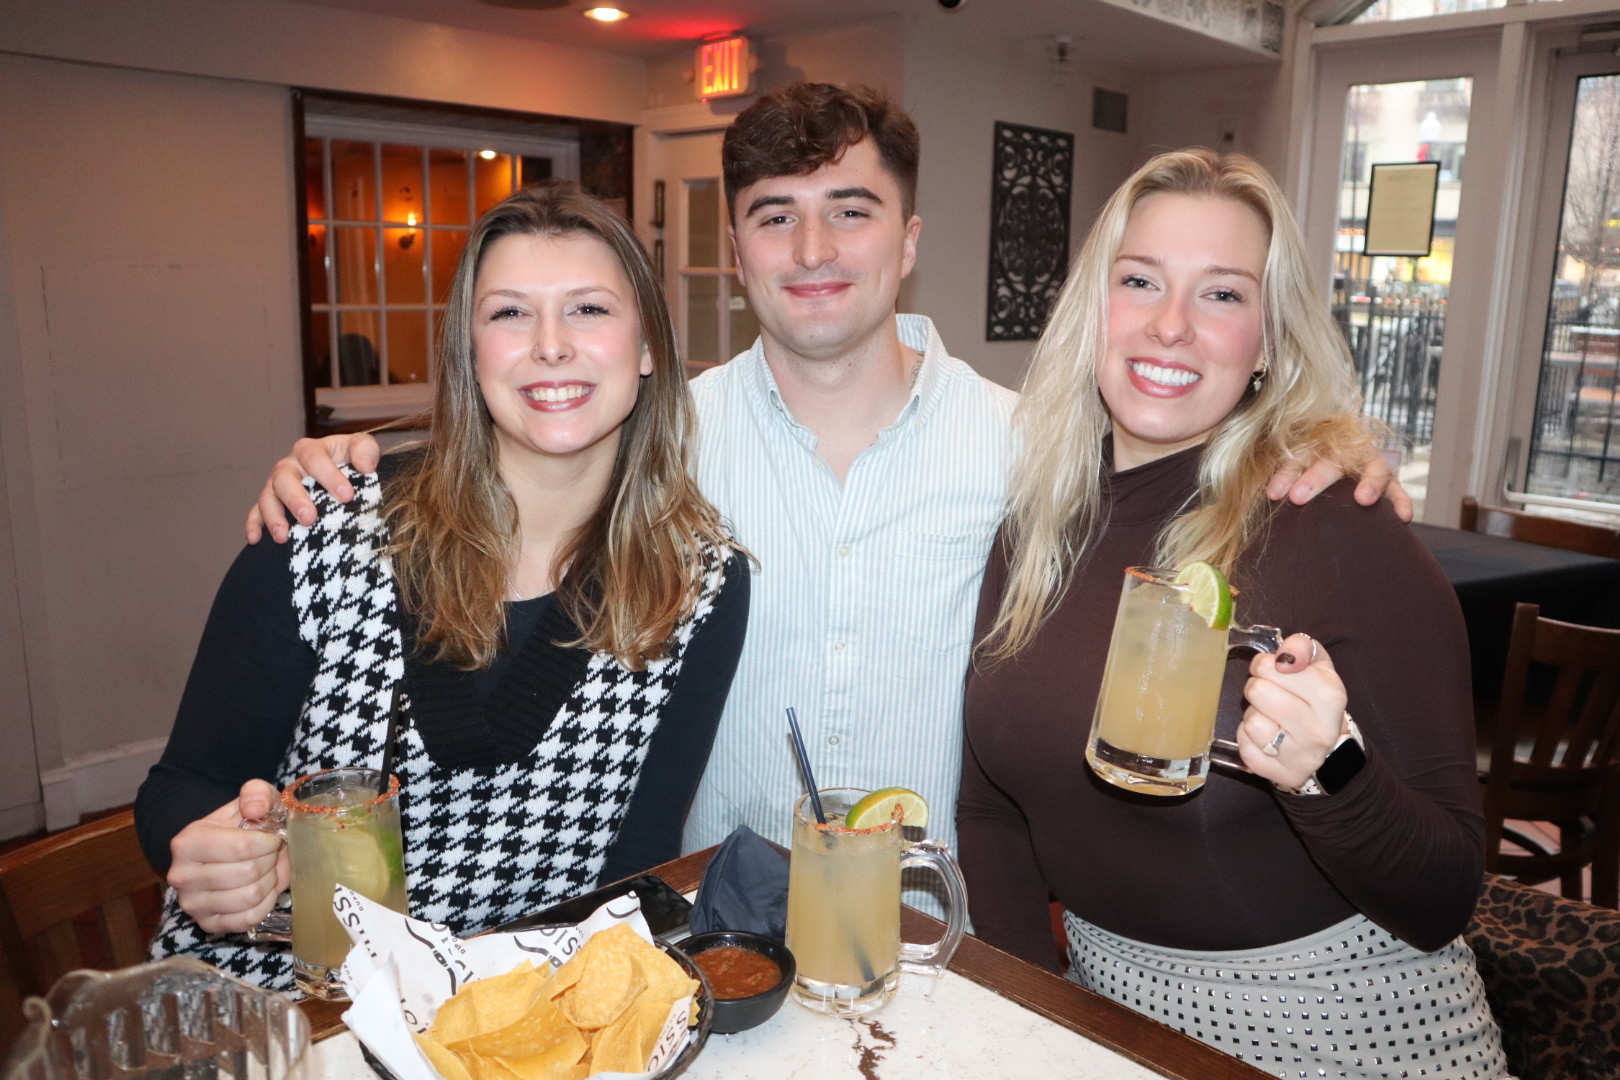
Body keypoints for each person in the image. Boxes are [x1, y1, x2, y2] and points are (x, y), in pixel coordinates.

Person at [243, 84, 1407, 877]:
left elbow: (1191, 455)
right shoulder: (656, 443)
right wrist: (344, 460)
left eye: (850, 212)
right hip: (713, 900)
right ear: (738, 246)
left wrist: (1324, 443)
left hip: (950, 914)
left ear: (907, 239)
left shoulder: (1034, 451)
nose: (812, 252)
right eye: (775, 218)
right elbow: (501, 465)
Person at [957, 150, 1505, 1079]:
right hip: (1101, 1012)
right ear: (1094, 305)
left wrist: (1328, 778)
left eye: (1221, 295)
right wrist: (1030, 1013)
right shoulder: (1037, 526)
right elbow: (994, 806)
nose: (1169, 327)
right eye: (1139, 281)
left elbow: (1446, 895)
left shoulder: (1336, 526)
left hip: (1336, 1025)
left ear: (1270, 338)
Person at [135, 182, 749, 991]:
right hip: (283, 1004)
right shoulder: (327, 526)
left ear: (647, 349)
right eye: (509, 314)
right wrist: (207, 848)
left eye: (590, 309)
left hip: (515, 1012)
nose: (552, 345)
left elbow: (633, 869)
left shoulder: (696, 583)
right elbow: (181, 789)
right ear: (468, 349)